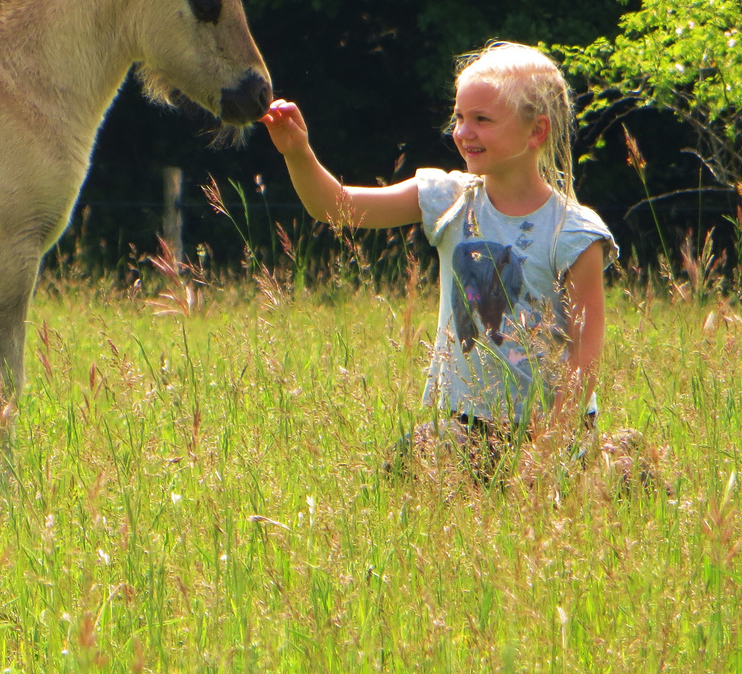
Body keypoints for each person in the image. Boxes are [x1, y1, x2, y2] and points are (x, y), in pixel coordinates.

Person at [262, 43, 617, 470]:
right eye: (460, 117)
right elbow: (336, 207)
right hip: (464, 424)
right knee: (405, 477)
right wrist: (297, 153)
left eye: (482, 120)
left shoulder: (574, 232)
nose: (463, 132)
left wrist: (547, 453)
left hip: (550, 430)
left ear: (536, 131)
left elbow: (584, 354)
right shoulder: (449, 200)